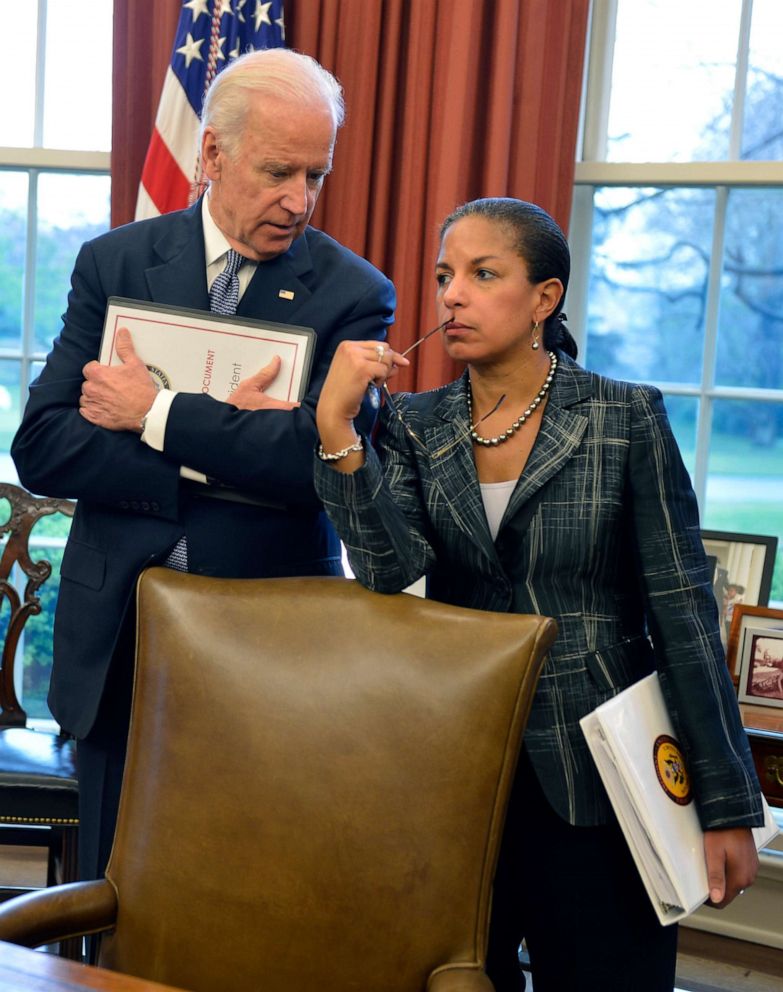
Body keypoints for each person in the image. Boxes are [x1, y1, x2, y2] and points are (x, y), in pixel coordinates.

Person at [313, 197, 764, 992]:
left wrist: (725, 803)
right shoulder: (416, 423)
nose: (451, 294)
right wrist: (337, 429)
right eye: (445, 275)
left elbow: (683, 610)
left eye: (484, 274)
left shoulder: (623, 417)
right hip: (456, 771)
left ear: (543, 298)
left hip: (599, 773)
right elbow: (388, 570)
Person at [11, 48, 394, 884]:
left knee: (237, 891)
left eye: (315, 176)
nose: (297, 201)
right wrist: (227, 449)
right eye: (276, 171)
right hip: (119, 633)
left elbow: (313, 470)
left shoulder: (352, 294)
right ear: (212, 156)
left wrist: (152, 416)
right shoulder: (113, 263)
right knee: (108, 888)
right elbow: (40, 443)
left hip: (263, 638)